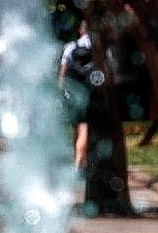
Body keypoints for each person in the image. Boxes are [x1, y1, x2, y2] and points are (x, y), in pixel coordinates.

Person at [60, 21, 94, 173]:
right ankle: (80, 161)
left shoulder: (70, 47)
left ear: (80, 30)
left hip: (73, 92)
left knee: (77, 126)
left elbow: (63, 73)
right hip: (89, 92)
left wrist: (62, 90)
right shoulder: (95, 47)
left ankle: (78, 160)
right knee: (84, 127)